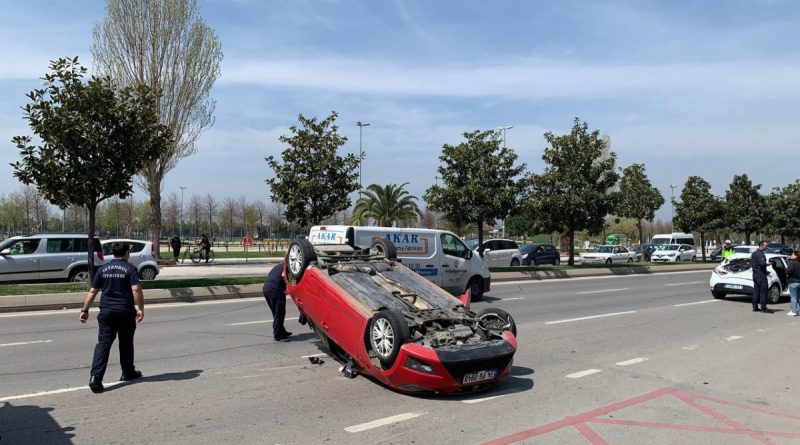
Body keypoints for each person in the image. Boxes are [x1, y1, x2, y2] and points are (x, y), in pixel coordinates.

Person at [79, 242, 145, 393]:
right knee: (126, 343)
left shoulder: (102, 269)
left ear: (114, 253)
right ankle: (128, 372)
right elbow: (136, 289)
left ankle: (95, 378)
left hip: (106, 312)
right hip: (125, 311)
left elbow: (92, 291)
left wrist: (85, 310)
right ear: (127, 253)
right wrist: (140, 308)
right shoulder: (130, 268)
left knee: (103, 344)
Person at [263, 261, 292, 341]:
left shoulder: (278, 266)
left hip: (266, 288)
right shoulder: (288, 267)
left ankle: (282, 331)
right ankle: (278, 336)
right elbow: (283, 275)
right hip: (276, 290)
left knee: (276, 313)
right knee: (279, 313)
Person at [751, 240, 772, 313]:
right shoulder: (760, 254)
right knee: (764, 291)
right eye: (766, 246)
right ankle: (763, 308)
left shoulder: (754, 253)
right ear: (761, 245)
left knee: (756, 291)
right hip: (761, 275)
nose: (767, 247)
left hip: (755, 274)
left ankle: (755, 307)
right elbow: (761, 264)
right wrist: (768, 264)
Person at [786, 250, 800, 317]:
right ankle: (797, 310)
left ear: (796, 256)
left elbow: (788, 271)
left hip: (793, 282)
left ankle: (794, 311)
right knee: (799, 297)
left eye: (793, 254)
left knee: (793, 297)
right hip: (799, 282)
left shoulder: (792, 263)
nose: (791, 255)